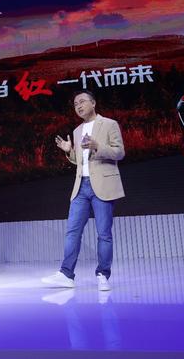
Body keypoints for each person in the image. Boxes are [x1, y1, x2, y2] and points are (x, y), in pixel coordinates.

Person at [42, 89, 125, 291]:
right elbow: (80, 161)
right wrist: (69, 151)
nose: (78, 106)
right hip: (81, 187)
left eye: (82, 101)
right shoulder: (77, 131)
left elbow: (119, 152)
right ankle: (66, 274)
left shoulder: (109, 124)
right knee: (72, 232)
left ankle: (103, 275)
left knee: (104, 233)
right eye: (75, 104)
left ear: (93, 103)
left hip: (102, 185)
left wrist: (97, 146)